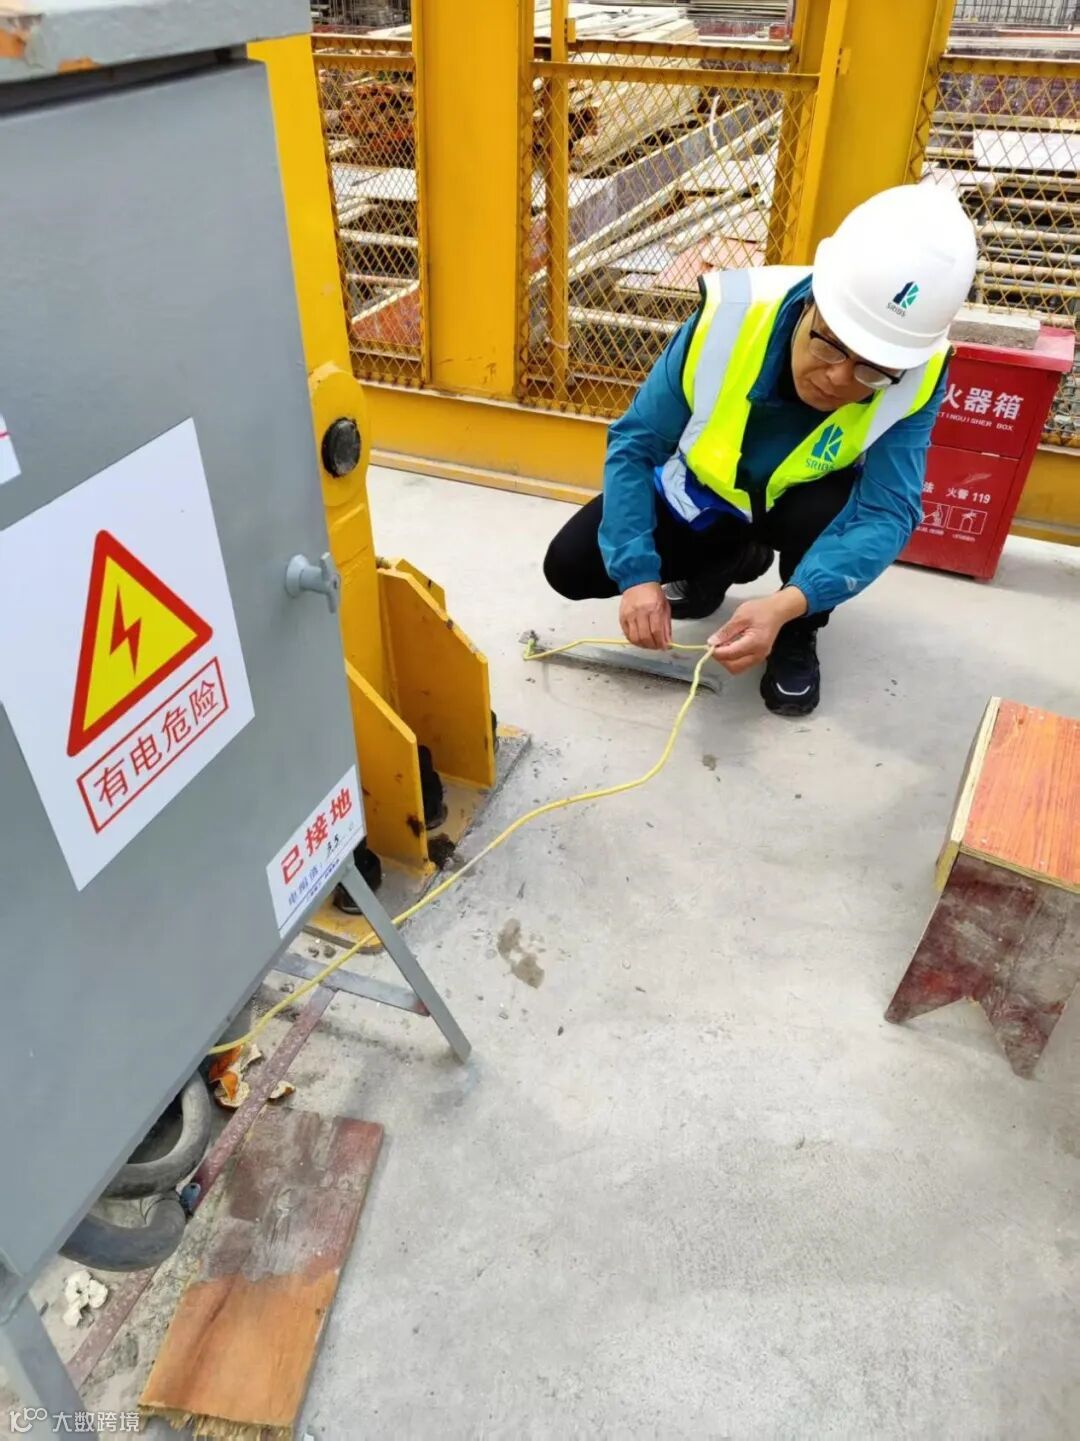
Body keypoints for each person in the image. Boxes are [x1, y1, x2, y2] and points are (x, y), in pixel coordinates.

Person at [542, 184, 977, 716]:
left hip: (798, 506)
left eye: (872, 370)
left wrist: (787, 604)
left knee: (834, 508)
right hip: (710, 498)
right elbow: (636, 444)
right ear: (813, 298)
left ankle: (795, 628)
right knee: (572, 565)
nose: (839, 379)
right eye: (829, 344)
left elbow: (889, 510)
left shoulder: (918, 372)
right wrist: (637, 576)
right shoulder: (730, 318)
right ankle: (725, 561)